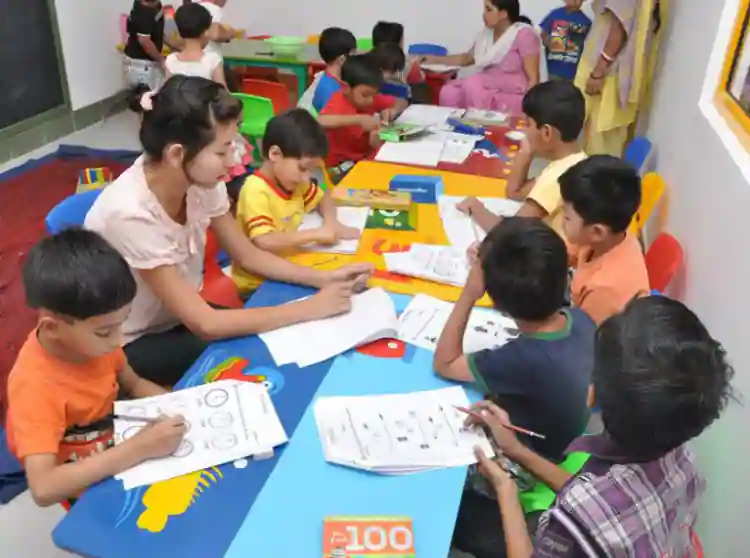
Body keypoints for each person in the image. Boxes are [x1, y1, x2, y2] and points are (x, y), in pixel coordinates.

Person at [85, 76, 372, 387]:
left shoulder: (199, 180)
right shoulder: (131, 213)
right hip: (129, 342)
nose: (234, 160)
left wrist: (325, 278)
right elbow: (206, 323)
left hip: (177, 317)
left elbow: (247, 255)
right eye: (222, 151)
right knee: (258, 361)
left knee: (280, 340)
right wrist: (312, 307)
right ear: (176, 154)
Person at [469, 295, 734, 557]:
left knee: (470, 518)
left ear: (591, 395)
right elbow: (597, 500)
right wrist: (516, 450)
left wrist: (505, 489)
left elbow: (587, 511)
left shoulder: (576, 522)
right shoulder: (683, 457)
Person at [434, 217, 595, 558]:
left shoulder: (525, 357)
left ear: (497, 302)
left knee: (435, 475)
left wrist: (470, 292)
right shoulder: (581, 320)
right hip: (563, 443)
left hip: (528, 463)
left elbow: (444, 363)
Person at [5, 229, 186, 507]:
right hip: (84, 486)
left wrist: (180, 408)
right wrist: (140, 448)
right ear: (52, 328)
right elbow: (43, 488)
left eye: (121, 324)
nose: (117, 340)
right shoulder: (34, 389)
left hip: (117, 445)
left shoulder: (95, 343)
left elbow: (134, 384)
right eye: (105, 332)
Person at [233, 109, 360, 296]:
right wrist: (315, 234)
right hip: (258, 283)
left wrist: (332, 223)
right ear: (275, 154)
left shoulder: (293, 182)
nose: (306, 177)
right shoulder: (255, 190)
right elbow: (264, 240)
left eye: (311, 170)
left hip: (291, 264)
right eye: (303, 168)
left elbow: (323, 197)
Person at [458, 81, 586, 249]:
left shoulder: (558, 177)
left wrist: (475, 208)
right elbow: (515, 192)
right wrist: (526, 152)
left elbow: (511, 235)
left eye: (528, 124)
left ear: (546, 132)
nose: (524, 131)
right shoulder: (575, 160)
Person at [560, 155, 650, 324]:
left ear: (597, 232)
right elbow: (564, 252)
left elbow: (584, 334)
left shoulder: (604, 290)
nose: (561, 221)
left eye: (566, 217)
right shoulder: (609, 237)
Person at [574, 0, 666, 156]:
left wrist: (598, 71)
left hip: (605, 72)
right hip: (619, 73)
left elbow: (619, 26)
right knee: (605, 138)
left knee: (596, 136)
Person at [420, 0, 540, 114]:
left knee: (473, 83)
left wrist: (532, 110)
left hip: (511, 91)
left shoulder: (524, 34)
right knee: (449, 92)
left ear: (503, 13)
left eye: (489, 10)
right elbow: (467, 58)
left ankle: (479, 123)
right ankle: (454, 127)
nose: (484, 15)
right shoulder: (486, 35)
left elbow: (533, 78)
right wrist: (433, 59)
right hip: (486, 86)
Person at [318, 54, 405, 182]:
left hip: (365, 158)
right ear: (346, 88)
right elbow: (320, 121)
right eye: (365, 95)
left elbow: (402, 101)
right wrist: (359, 119)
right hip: (340, 167)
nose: (370, 100)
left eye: (374, 95)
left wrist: (393, 110)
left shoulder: (369, 98)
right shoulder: (338, 102)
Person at [298, 27, 357, 115]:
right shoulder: (331, 90)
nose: (356, 59)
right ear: (342, 59)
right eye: (353, 54)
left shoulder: (323, 78)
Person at [165, 2, 226, 86]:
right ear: (205, 32)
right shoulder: (212, 61)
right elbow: (222, 91)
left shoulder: (171, 61)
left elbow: (166, 90)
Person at [371, 21, 426, 102]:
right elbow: (420, 79)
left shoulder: (365, 61)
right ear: (398, 43)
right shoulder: (409, 64)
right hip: (404, 103)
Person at [540, 0, 592, 81]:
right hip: (552, 68)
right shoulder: (554, 15)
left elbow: (588, 45)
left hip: (573, 70)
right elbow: (543, 34)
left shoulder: (586, 21)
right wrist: (548, 42)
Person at [123, 0, 168, 90]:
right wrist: (161, 60)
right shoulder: (142, 12)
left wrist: (180, 46)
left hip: (150, 63)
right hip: (140, 65)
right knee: (144, 96)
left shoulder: (156, 6)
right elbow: (144, 41)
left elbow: (157, 32)